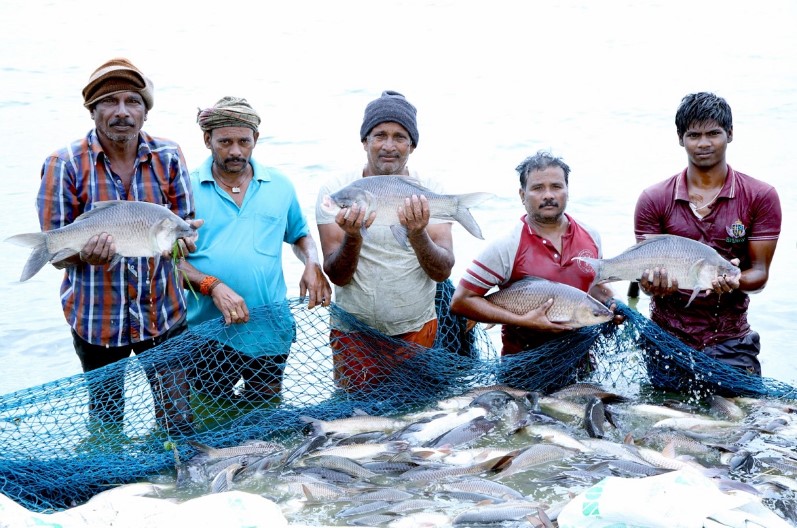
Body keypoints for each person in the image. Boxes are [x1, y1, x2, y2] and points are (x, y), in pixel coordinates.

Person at [36, 58, 199, 435]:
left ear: (145, 111)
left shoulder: (169, 156)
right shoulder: (64, 164)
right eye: (110, 101)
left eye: (133, 101)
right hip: (95, 319)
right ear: (93, 111)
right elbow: (58, 254)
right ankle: (114, 488)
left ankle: (179, 485)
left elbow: (184, 233)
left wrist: (184, 242)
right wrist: (85, 253)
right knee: (107, 421)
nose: (122, 111)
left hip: (164, 314)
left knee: (178, 419)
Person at [179, 96, 331, 402]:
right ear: (207, 139)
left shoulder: (280, 185)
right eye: (225, 142)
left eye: (244, 141)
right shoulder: (185, 188)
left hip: (269, 329)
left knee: (266, 414)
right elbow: (170, 262)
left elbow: (300, 236)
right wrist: (212, 285)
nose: (236, 151)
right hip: (208, 333)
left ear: (256, 139)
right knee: (211, 416)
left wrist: (313, 263)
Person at [634, 92, 781, 391]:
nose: (703, 143)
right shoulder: (654, 199)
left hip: (731, 342)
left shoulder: (760, 196)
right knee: (664, 430)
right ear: (680, 138)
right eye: (694, 135)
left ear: (729, 134)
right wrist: (652, 284)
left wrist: (735, 280)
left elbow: (760, 275)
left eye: (713, 133)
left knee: (738, 430)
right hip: (666, 341)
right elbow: (645, 272)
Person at [315, 90, 455, 392]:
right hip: (353, 333)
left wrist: (417, 232)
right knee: (354, 420)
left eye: (400, 137)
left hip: (416, 329)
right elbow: (337, 275)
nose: (389, 146)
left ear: (412, 145)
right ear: (365, 141)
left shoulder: (429, 189)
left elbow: (442, 271)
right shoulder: (337, 190)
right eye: (379, 135)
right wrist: (353, 237)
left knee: (413, 417)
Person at [450, 150, 619, 393]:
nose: (548, 195)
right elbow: (461, 302)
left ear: (567, 191)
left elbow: (594, 287)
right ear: (522, 195)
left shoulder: (591, 236)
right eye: (538, 188)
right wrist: (522, 320)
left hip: (579, 366)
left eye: (556, 186)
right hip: (521, 370)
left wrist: (610, 306)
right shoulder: (507, 245)